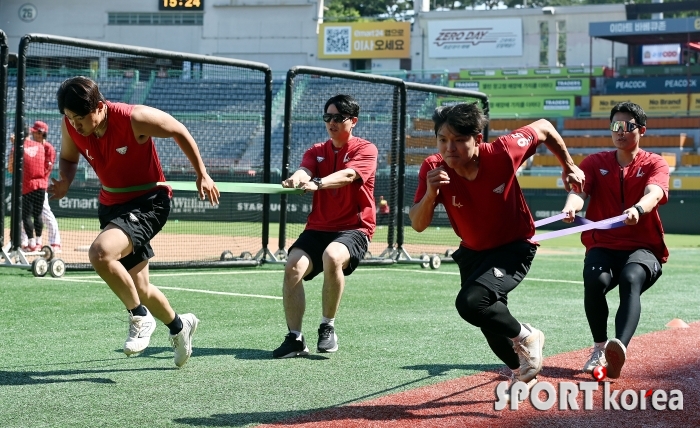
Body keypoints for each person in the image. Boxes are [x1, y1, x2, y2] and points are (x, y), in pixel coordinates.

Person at [409, 103, 585, 398]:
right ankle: (522, 371)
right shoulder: (432, 168)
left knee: (470, 304)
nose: (448, 148)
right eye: (442, 140)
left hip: (514, 247)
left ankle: (529, 336)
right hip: (473, 253)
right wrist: (430, 195)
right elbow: (417, 224)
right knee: (488, 321)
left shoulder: (503, 152)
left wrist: (567, 164)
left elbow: (543, 126)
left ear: (477, 139)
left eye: (458, 140)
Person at [51, 76, 220, 367]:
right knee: (140, 287)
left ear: (100, 107)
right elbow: (68, 158)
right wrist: (65, 180)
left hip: (149, 203)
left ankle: (140, 317)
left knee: (101, 253)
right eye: (69, 118)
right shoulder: (71, 126)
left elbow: (178, 130)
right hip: (111, 205)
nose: (74, 124)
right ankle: (181, 327)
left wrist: (201, 173)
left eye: (80, 117)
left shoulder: (133, 119)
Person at [560, 102, 669, 379]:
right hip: (603, 245)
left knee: (632, 278)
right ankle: (599, 348)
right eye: (615, 126)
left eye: (627, 126)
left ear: (641, 130)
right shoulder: (594, 163)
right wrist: (571, 206)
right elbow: (578, 192)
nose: (620, 132)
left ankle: (618, 347)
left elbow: (654, 193)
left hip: (643, 248)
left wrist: (638, 209)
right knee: (595, 282)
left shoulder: (655, 162)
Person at [273, 94, 377, 358]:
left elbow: (349, 175)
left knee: (332, 256)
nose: (331, 122)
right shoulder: (315, 151)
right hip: (318, 227)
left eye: (338, 118)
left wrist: (318, 183)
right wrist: (296, 179)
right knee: (292, 267)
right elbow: (304, 170)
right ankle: (295, 338)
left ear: (352, 121)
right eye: (327, 117)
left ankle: (327, 326)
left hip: (354, 228)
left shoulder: (366, 149)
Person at [19, 121, 62, 253]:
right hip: (30, 184)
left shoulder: (48, 148)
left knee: (45, 213)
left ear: (41, 133)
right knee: (24, 214)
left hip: (39, 185)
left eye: (35, 132)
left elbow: (46, 169)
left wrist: (35, 179)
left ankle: (55, 242)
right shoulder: (34, 145)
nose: (32, 133)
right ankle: (25, 241)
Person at [8, 126, 46, 252]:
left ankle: (31, 243)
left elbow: (10, 168)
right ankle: (39, 242)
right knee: (38, 214)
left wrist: (14, 146)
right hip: (41, 185)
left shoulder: (17, 148)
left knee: (26, 216)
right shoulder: (40, 146)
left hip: (26, 187)